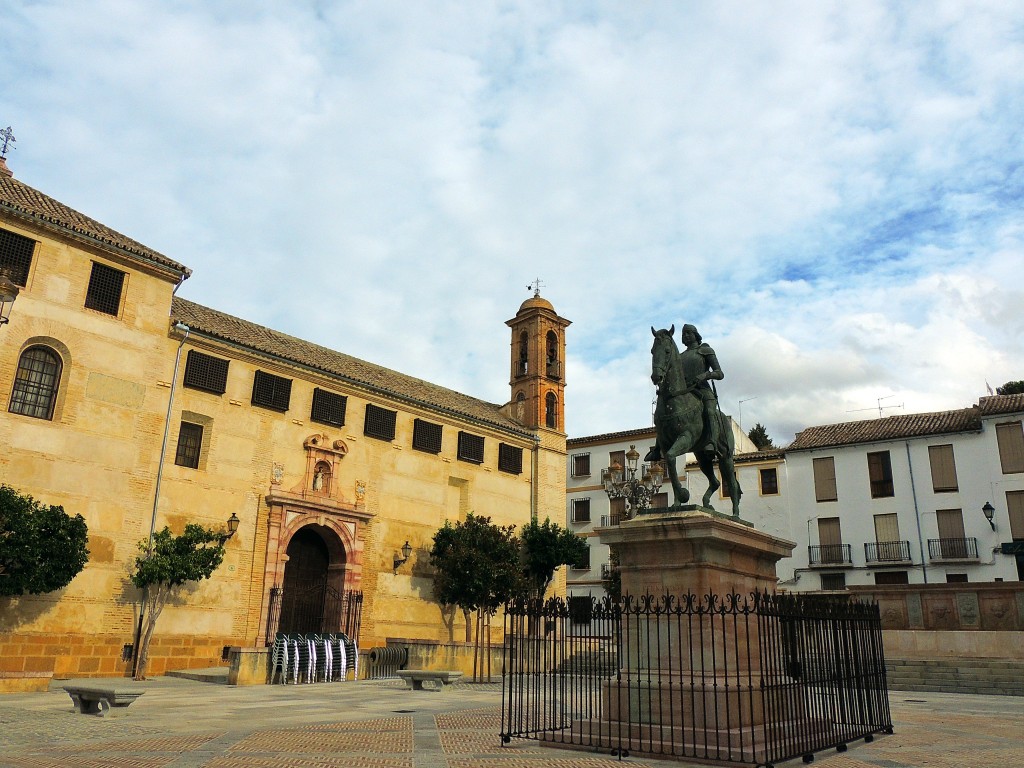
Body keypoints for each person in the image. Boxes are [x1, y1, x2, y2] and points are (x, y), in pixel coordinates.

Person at [679, 324, 723, 453]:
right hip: (684, 392)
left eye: (688, 333)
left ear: (695, 335)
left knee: (709, 412)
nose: (686, 336)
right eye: (683, 334)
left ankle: (712, 442)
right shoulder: (680, 357)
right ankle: (658, 447)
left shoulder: (705, 350)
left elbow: (719, 373)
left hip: (702, 390)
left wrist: (705, 375)